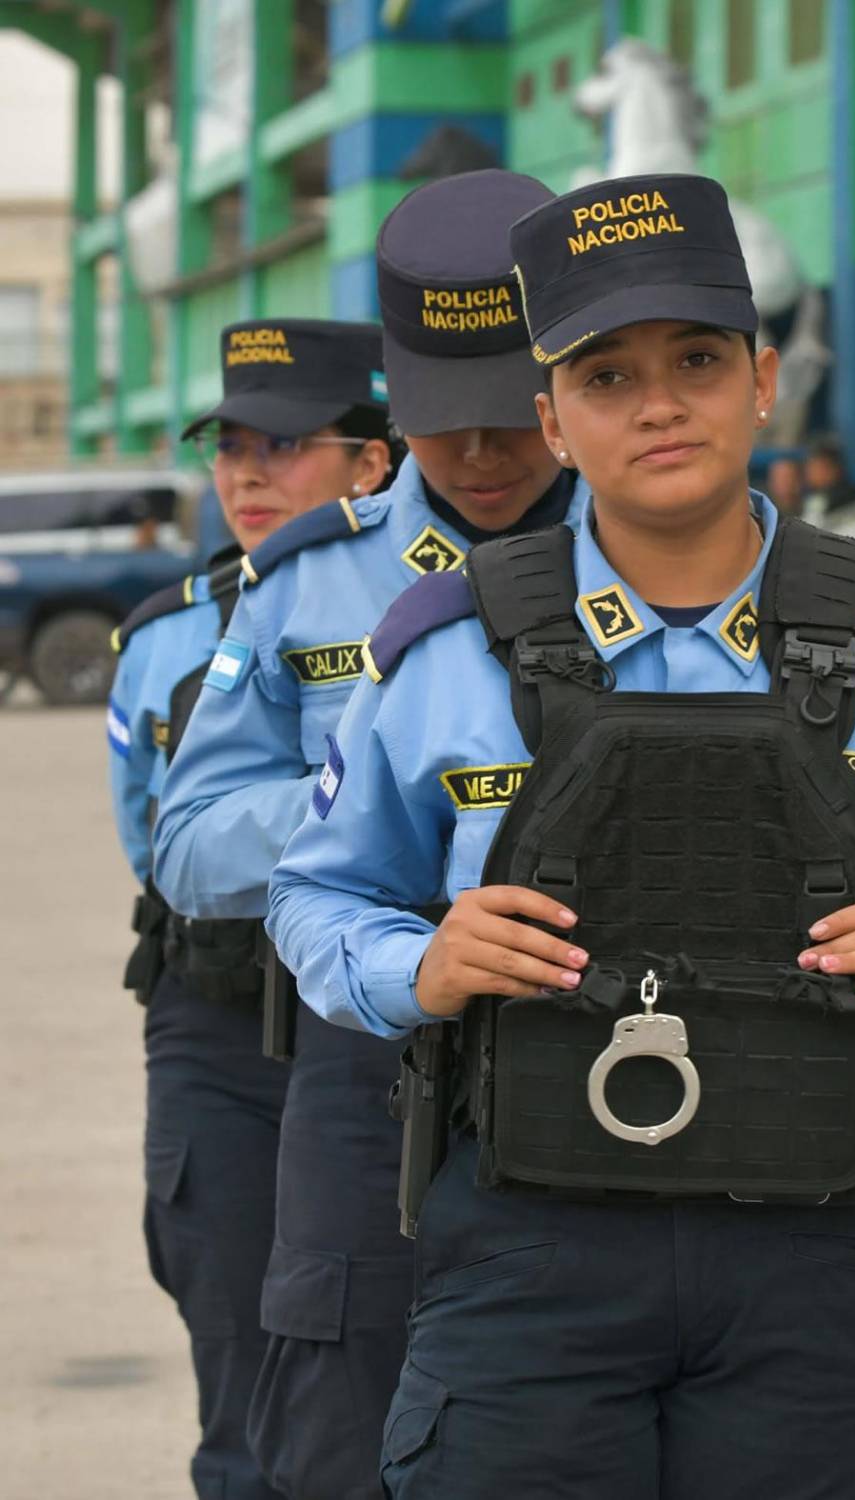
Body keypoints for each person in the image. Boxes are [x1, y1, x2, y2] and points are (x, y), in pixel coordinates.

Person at [266, 172, 855, 1498]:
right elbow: (316, 895)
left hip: (815, 1255)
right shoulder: (448, 650)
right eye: (605, 374)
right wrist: (420, 965)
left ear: (762, 382)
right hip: (531, 1255)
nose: (658, 402)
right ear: (553, 418)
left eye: (697, 359)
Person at [153, 170, 587, 1500]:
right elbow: (190, 842)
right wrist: (377, 801)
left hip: (591, 1051)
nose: (480, 454)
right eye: (443, 421)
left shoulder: (659, 553)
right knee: (337, 1435)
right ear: (395, 402)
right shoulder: (309, 579)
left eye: (510, 414)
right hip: (371, 1067)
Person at [106, 315, 394, 1500]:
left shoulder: (436, 606)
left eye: (282, 445)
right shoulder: (162, 637)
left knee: (379, 1367)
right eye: (228, 448)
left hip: (382, 1023)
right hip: (220, 1027)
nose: (245, 474)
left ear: (373, 462)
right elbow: (154, 839)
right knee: (235, 1358)